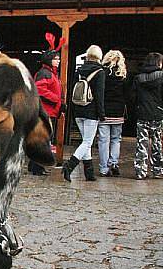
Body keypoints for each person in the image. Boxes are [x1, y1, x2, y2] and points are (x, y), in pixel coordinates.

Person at [63, 44, 105, 182]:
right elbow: (99, 95)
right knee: (87, 141)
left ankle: (89, 173)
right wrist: (101, 113)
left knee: (85, 141)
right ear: (99, 56)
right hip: (91, 111)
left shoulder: (79, 70)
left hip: (78, 109)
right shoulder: (100, 72)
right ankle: (69, 166)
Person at [28, 36, 65, 175]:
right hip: (45, 111)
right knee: (43, 139)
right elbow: (40, 89)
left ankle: (34, 165)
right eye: (56, 59)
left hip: (49, 110)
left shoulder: (50, 73)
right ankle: (38, 167)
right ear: (50, 60)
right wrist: (57, 100)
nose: (58, 60)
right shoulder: (45, 73)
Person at [132, 51, 163, 180]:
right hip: (158, 113)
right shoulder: (162, 76)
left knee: (141, 143)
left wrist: (137, 108)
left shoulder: (138, 78)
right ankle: (158, 170)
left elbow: (133, 97)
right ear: (159, 63)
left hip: (142, 114)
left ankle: (140, 171)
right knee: (158, 143)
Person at [97, 50, 127, 176]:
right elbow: (127, 94)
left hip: (104, 111)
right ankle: (113, 162)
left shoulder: (102, 73)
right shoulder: (123, 74)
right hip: (118, 111)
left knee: (103, 140)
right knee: (116, 139)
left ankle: (104, 168)